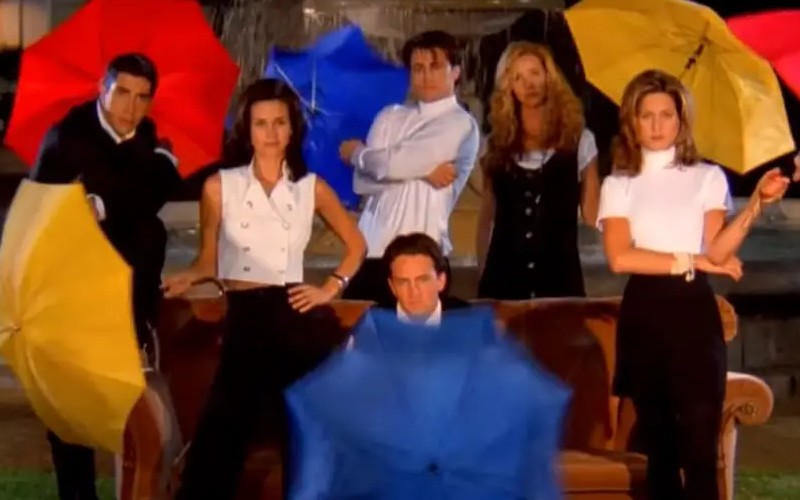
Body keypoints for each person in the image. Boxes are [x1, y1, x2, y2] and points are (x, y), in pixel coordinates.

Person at [162, 78, 366, 500]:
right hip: (245, 318)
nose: (271, 132)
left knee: (303, 437)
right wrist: (192, 275)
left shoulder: (311, 188)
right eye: (261, 123)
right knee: (219, 437)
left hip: (293, 315)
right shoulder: (219, 187)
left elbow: (357, 245)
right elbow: (209, 258)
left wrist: (330, 287)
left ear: (292, 129)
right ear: (247, 130)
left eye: (279, 122)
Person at [596, 69, 790, 500]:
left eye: (666, 115)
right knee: (659, 451)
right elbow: (620, 256)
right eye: (647, 115)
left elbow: (717, 253)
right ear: (632, 122)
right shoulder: (618, 183)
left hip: (694, 314)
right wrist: (690, 259)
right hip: (646, 314)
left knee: (701, 447)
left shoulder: (707, 177)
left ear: (681, 121)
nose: (657, 125)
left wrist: (756, 204)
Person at [30, 53, 181, 500]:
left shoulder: (146, 138)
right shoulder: (67, 139)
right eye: (122, 93)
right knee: (68, 414)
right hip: (71, 292)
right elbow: (41, 217)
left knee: (132, 416)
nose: (130, 107)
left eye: (142, 97)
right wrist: (159, 169)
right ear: (103, 87)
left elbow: (145, 200)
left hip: (127, 304)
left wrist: (104, 202)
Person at [338, 30, 480, 304]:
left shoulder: (459, 123)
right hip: (370, 252)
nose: (426, 76)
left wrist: (357, 152)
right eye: (418, 68)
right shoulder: (389, 116)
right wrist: (424, 172)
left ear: (456, 72)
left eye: (435, 67)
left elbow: (391, 164)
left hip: (422, 257)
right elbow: (362, 183)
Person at [476, 41, 599, 300]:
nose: (528, 84)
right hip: (503, 280)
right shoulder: (494, 144)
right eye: (518, 77)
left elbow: (592, 214)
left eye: (534, 73)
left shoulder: (579, 140)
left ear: (549, 77)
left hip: (560, 279)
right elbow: (488, 214)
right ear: (508, 86)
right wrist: (482, 273)